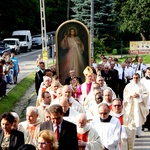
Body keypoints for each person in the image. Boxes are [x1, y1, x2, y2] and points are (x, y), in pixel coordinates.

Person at [123, 73, 149, 137]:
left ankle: (138, 133)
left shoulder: (142, 86)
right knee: (130, 118)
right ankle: (131, 132)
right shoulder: (128, 85)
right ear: (132, 78)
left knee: (138, 118)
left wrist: (139, 96)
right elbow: (125, 94)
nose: (135, 79)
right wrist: (131, 95)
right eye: (134, 78)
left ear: (139, 78)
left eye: (137, 78)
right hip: (130, 104)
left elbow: (146, 94)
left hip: (138, 105)